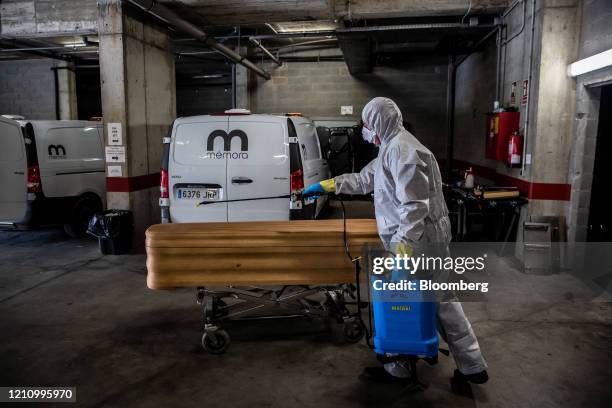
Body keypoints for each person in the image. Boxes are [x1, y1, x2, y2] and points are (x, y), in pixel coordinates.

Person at [303, 97, 488, 384]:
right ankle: (472, 365)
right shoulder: (392, 148)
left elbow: (414, 207)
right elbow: (365, 180)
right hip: (421, 242)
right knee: (439, 302)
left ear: (378, 122)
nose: (365, 130)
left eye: (366, 124)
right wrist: (326, 185)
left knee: (402, 303)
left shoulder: (403, 151)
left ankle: (399, 369)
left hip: (418, 244)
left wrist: (402, 253)